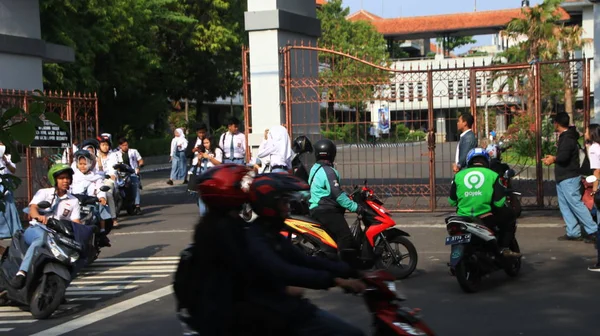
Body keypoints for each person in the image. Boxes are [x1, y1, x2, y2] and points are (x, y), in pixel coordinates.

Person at [247, 173, 366, 336]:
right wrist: (336, 281)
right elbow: (287, 271)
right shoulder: (257, 239)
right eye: (283, 203)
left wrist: (353, 271)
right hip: (275, 316)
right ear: (270, 206)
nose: (287, 208)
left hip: (286, 310)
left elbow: (305, 260)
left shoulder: (271, 234)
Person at [10, 163, 81, 289]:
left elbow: (75, 222)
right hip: (37, 229)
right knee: (40, 240)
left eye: (68, 178)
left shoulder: (73, 201)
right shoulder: (43, 193)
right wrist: (38, 216)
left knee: (75, 257)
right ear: (54, 179)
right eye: (61, 178)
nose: (65, 181)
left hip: (58, 235)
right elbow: (33, 209)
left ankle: (60, 288)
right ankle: (22, 272)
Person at [448, 148, 520, 258]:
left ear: (469, 161)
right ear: (486, 161)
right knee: (510, 216)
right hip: (485, 217)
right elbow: (499, 203)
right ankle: (504, 248)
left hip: (463, 217)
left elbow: (452, 201)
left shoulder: (458, 176)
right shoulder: (492, 175)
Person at [542, 112, 597, 242]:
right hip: (563, 176)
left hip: (569, 176)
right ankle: (573, 232)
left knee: (575, 204)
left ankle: (593, 230)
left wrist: (553, 159)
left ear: (557, 123)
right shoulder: (567, 136)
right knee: (565, 205)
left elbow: (564, 157)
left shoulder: (567, 138)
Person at [308, 139, 362, 254]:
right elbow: (337, 195)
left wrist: (347, 196)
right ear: (332, 153)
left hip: (317, 209)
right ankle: (342, 267)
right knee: (346, 237)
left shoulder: (315, 168)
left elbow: (328, 191)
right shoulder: (328, 171)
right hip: (326, 210)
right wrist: (355, 207)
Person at [72, 150, 111, 247]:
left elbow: (100, 187)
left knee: (100, 209)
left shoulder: (96, 177)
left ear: (89, 164)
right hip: (76, 201)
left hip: (91, 201)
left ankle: (102, 232)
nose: (82, 166)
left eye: (85, 164)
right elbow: (69, 188)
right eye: (80, 164)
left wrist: (102, 197)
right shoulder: (74, 176)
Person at [190, 136, 223, 216]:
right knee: (201, 197)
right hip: (202, 174)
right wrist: (199, 159)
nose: (205, 145)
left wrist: (208, 157)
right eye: (204, 143)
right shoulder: (202, 151)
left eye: (207, 143)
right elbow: (198, 165)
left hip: (212, 174)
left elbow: (219, 163)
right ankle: (203, 216)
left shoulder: (217, 150)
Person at [0, 142, 21, 253]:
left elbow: (13, 170)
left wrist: (4, 160)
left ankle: (7, 232)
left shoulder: (8, 157)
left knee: (7, 208)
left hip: (5, 184)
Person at [115, 137, 144, 215]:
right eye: (123, 145)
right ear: (120, 146)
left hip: (132, 173)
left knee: (135, 185)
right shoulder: (116, 154)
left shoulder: (134, 151)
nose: (125, 147)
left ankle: (137, 206)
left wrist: (138, 167)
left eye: (126, 145)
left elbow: (140, 161)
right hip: (120, 175)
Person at [96, 135, 120, 228]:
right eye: (103, 145)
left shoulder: (112, 155)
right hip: (97, 179)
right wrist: (98, 161)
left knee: (108, 195)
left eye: (107, 145)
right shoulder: (95, 155)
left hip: (108, 179)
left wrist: (112, 175)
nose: (105, 147)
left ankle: (114, 218)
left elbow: (113, 168)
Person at [585, 124, 600, 271]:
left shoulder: (594, 149)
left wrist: (594, 191)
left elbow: (597, 172)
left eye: (586, 131)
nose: (585, 133)